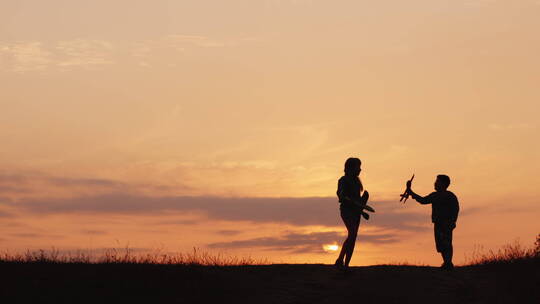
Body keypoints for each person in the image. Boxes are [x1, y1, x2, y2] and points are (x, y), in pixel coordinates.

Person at [406, 174, 459, 270]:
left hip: (446, 223)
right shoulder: (435, 195)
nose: (435, 183)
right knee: (440, 244)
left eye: (437, 182)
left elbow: (455, 209)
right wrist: (410, 191)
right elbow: (423, 200)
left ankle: (448, 263)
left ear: (443, 184)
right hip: (438, 223)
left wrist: (452, 221)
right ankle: (446, 263)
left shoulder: (450, 196)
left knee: (446, 242)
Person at [335, 157, 371, 270]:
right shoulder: (343, 180)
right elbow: (341, 195)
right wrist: (343, 196)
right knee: (352, 234)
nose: (360, 169)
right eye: (358, 167)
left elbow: (358, 202)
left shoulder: (356, 182)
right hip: (346, 211)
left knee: (353, 236)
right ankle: (341, 261)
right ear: (350, 168)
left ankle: (344, 263)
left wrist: (362, 211)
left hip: (356, 212)